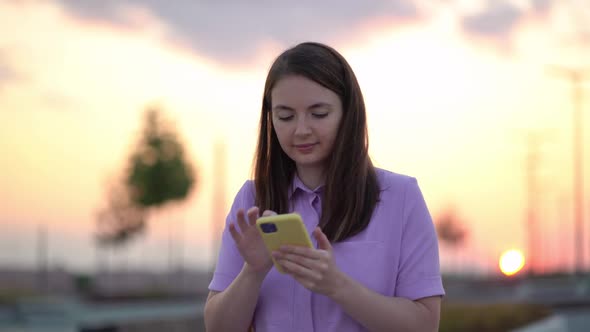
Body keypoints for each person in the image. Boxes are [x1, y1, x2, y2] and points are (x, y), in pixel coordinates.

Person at [204, 41, 444, 332]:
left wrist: (337, 285)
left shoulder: (400, 197)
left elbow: (425, 325)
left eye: (318, 114)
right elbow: (218, 328)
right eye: (285, 116)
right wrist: (252, 272)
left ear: (348, 113)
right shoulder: (252, 200)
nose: (301, 129)